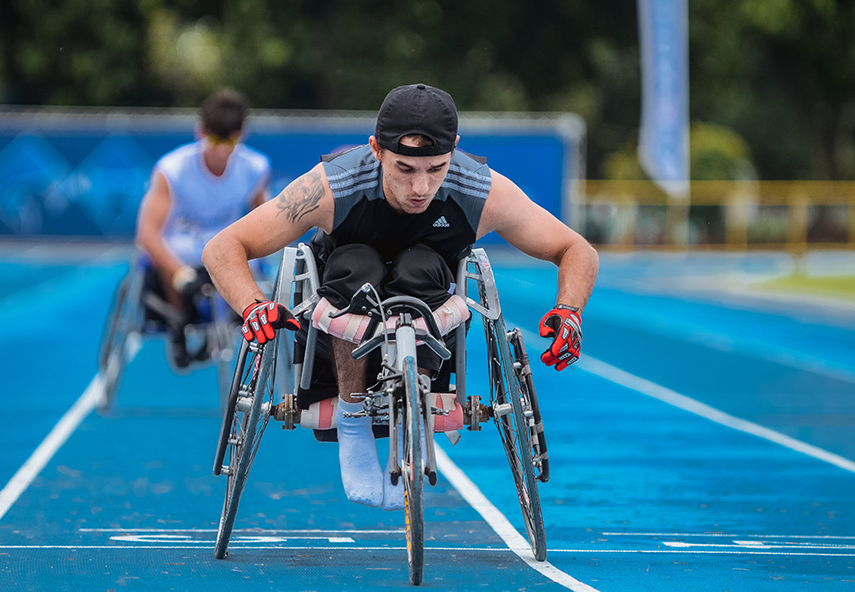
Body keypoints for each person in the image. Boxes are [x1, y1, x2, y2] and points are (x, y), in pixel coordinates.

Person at [203, 83, 598, 509]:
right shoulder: (332, 186)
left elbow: (576, 249)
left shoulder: (479, 190)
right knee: (358, 263)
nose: (421, 187)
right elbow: (223, 247)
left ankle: (418, 417)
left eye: (436, 168)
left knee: (421, 266)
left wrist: (569, 310)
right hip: (342, 316)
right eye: (405, 169)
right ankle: (353, 421)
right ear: (376, 149)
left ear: (455, 151)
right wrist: (252, 306)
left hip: (426, 312)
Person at [136, 88, 272, 369]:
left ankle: (235, 311)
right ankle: (179, 318)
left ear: (241, 134)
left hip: (226, 246)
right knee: (172, 251)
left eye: (230, 140)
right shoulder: (172, 169)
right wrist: (180, 274)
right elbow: (147, 234)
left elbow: (267, 222)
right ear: (200, 132)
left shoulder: (255, 167)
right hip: (184, 249)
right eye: (215, 139)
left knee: (246, 252)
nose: (222, 149)